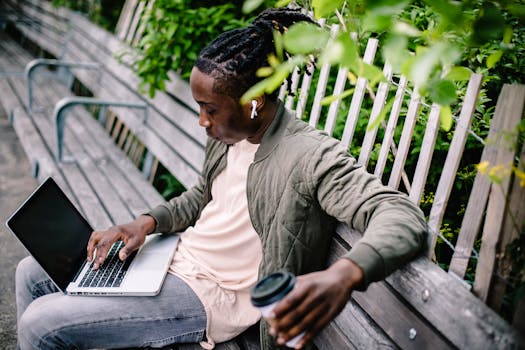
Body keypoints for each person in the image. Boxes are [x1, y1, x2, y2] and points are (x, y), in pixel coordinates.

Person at [15, 7, 427, 350]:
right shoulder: (230, 135)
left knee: (43, 324)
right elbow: (202, 197)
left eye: (209, 108)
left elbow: (401, 215)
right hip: (174, 259)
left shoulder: (310, 155)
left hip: (216, 295)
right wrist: (144, 223)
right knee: (30, 273)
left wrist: (345, 273)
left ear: (254, 101)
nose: (202, 121)